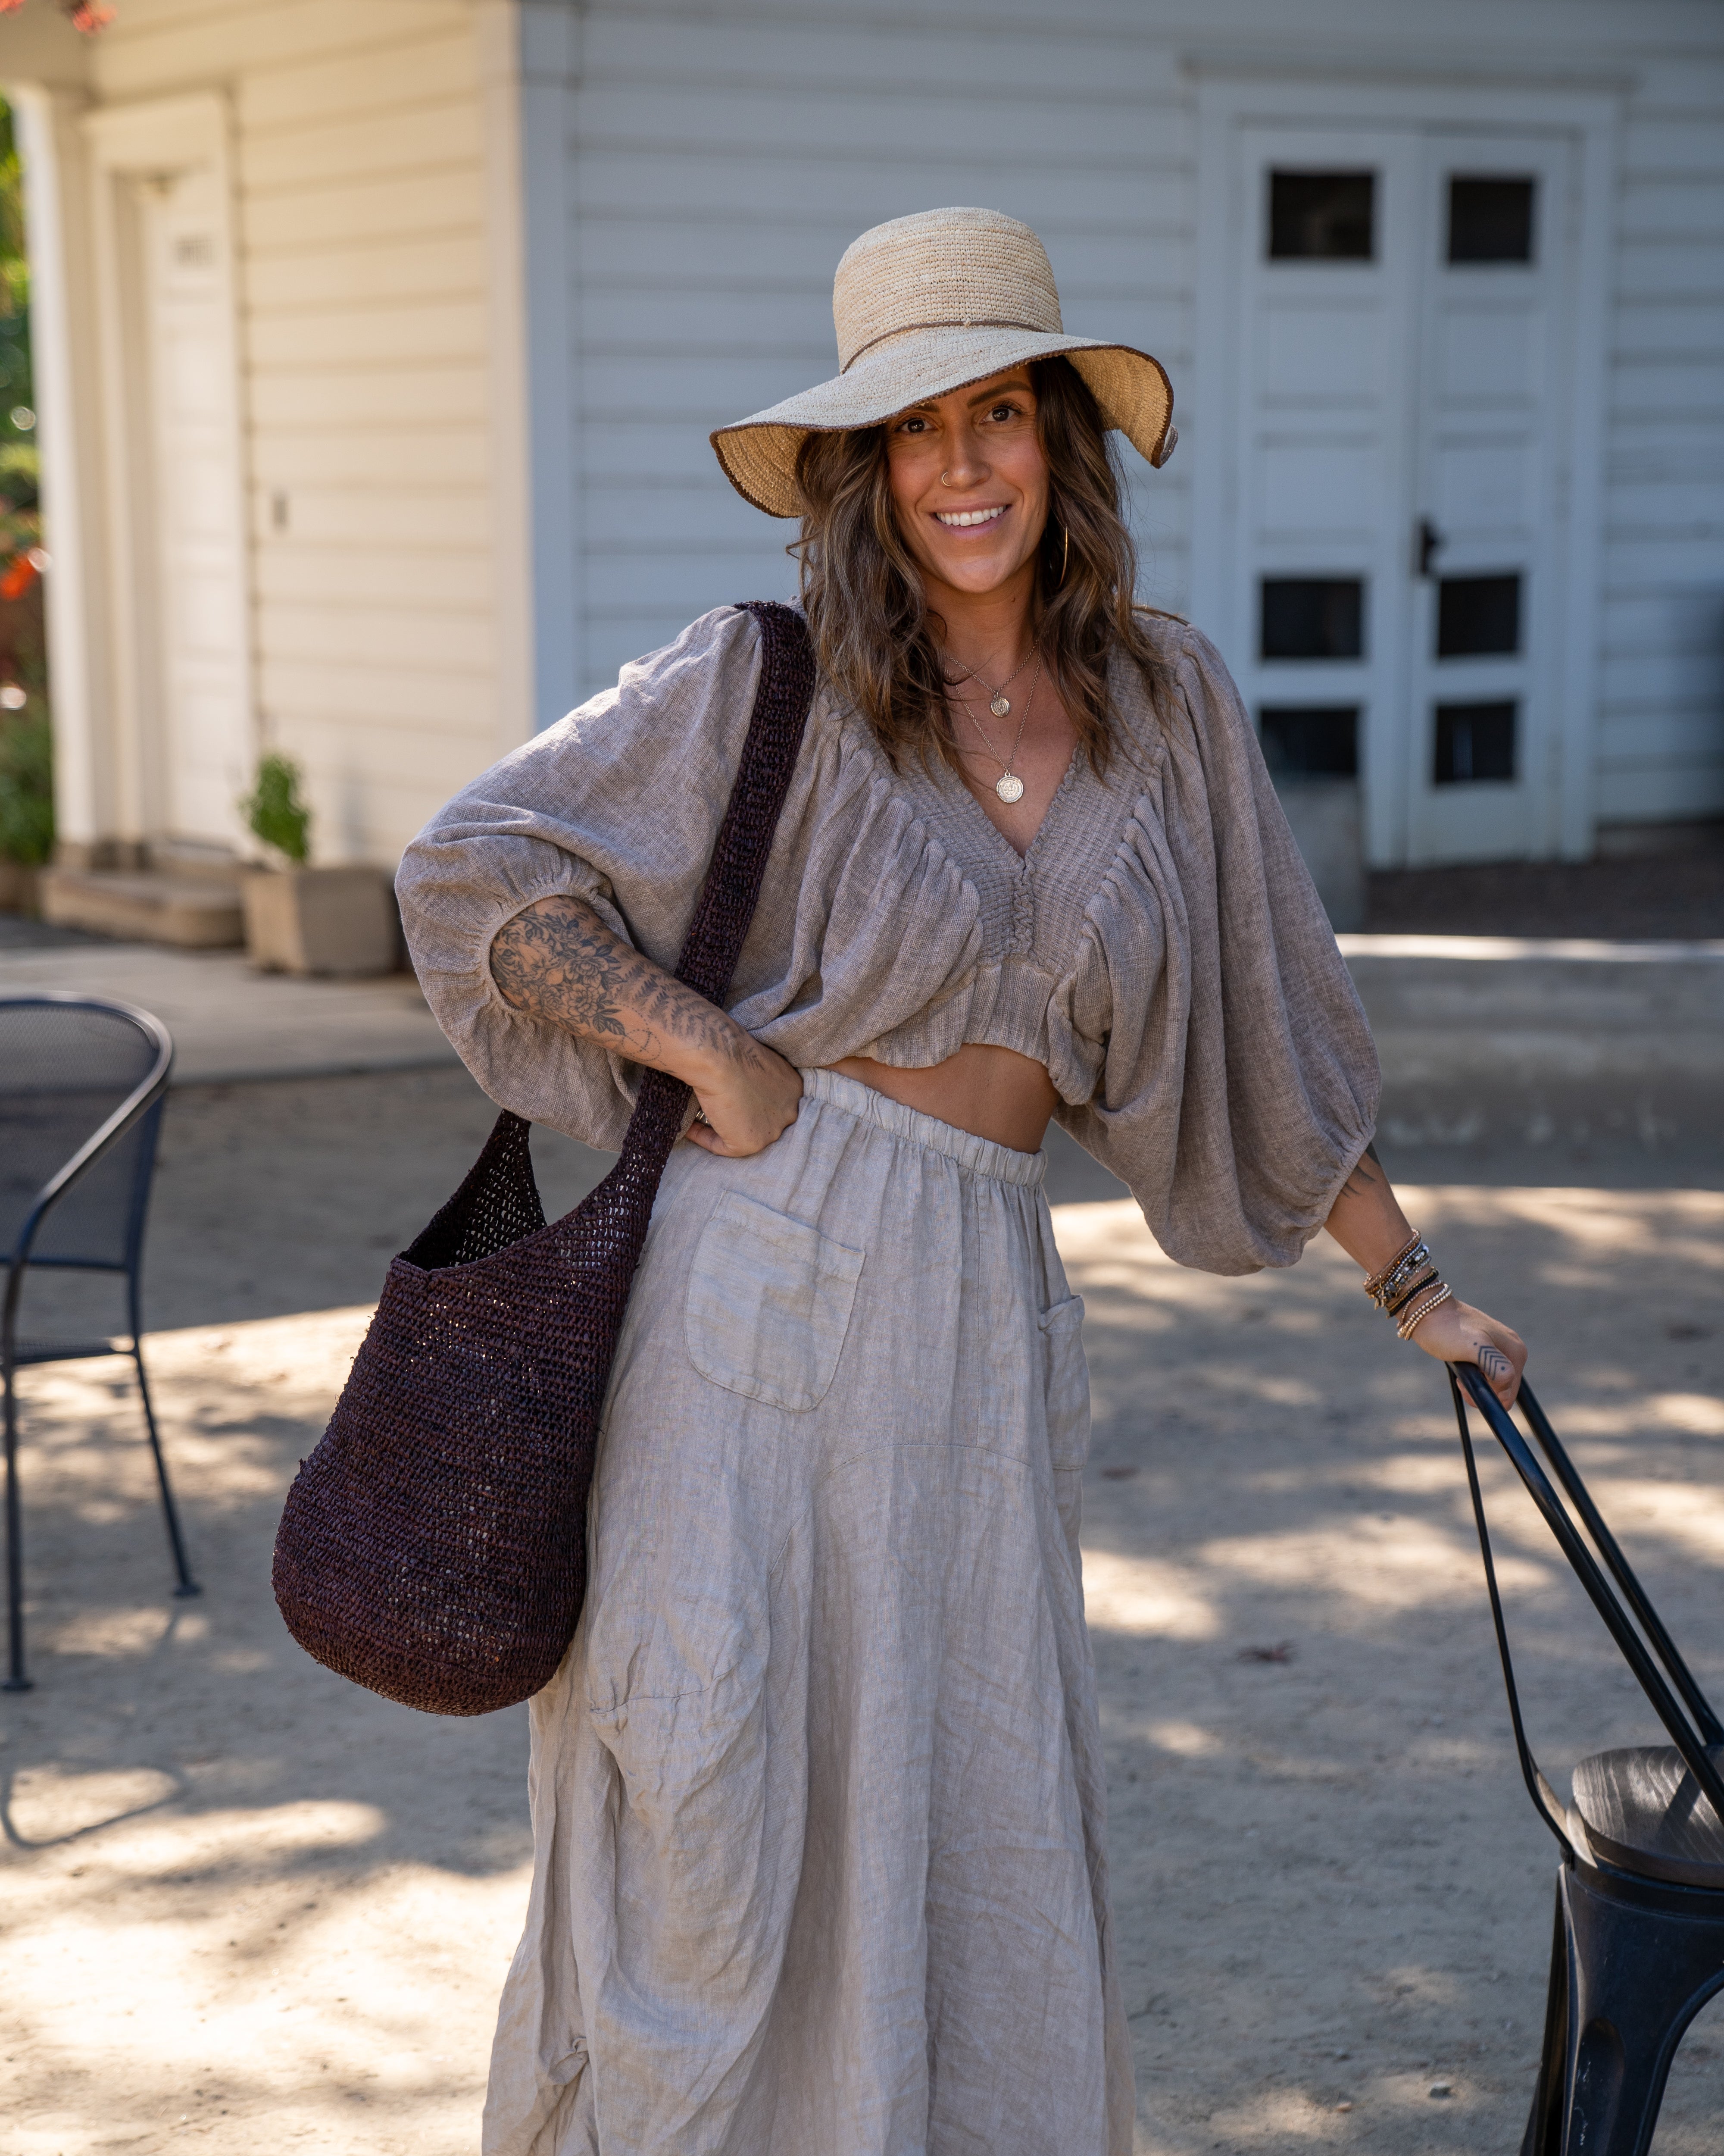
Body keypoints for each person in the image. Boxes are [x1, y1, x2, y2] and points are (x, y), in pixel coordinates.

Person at [397, 206, 1526, 2156]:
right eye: (912, 431)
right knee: (715, 1806)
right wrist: (713, 1049)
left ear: (1059, 441)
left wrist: (1413, 1287)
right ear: (860, 472)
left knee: (968, 1816)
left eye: (996, 413)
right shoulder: (768, 676)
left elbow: (1274, 1024)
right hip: (749, 1290)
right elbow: (474, 870)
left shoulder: (1165, 706)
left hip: (981, 1314)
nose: (960, 467)